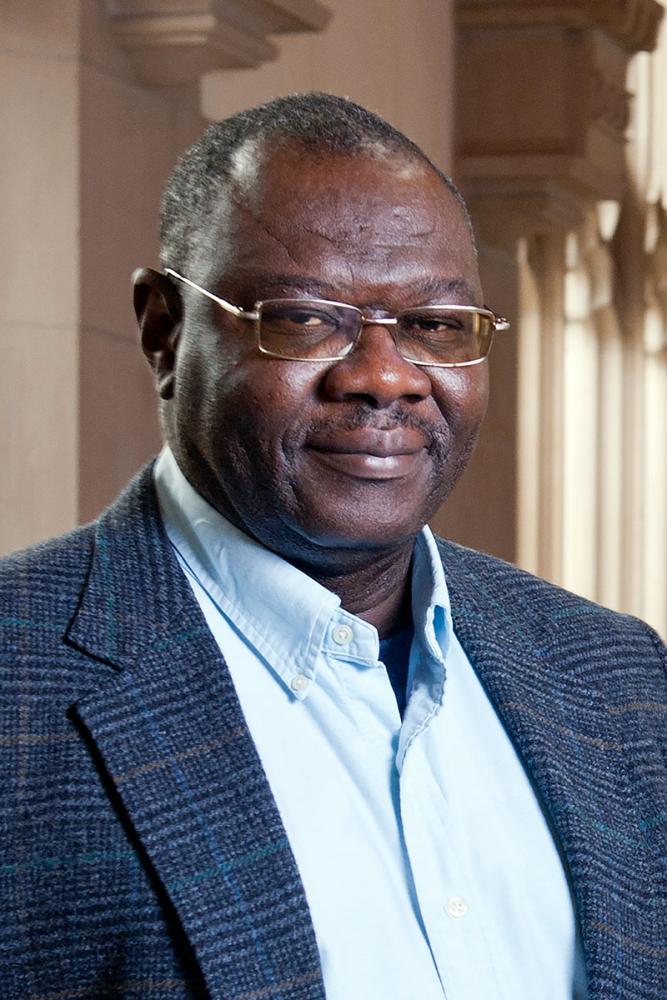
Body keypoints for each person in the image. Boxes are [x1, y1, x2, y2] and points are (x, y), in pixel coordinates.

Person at [0, 93, 665, 1000]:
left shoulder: (615, 674)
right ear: (163, 330)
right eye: (304, 318)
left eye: (435, 326)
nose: (383, 377)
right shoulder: (17, 678)